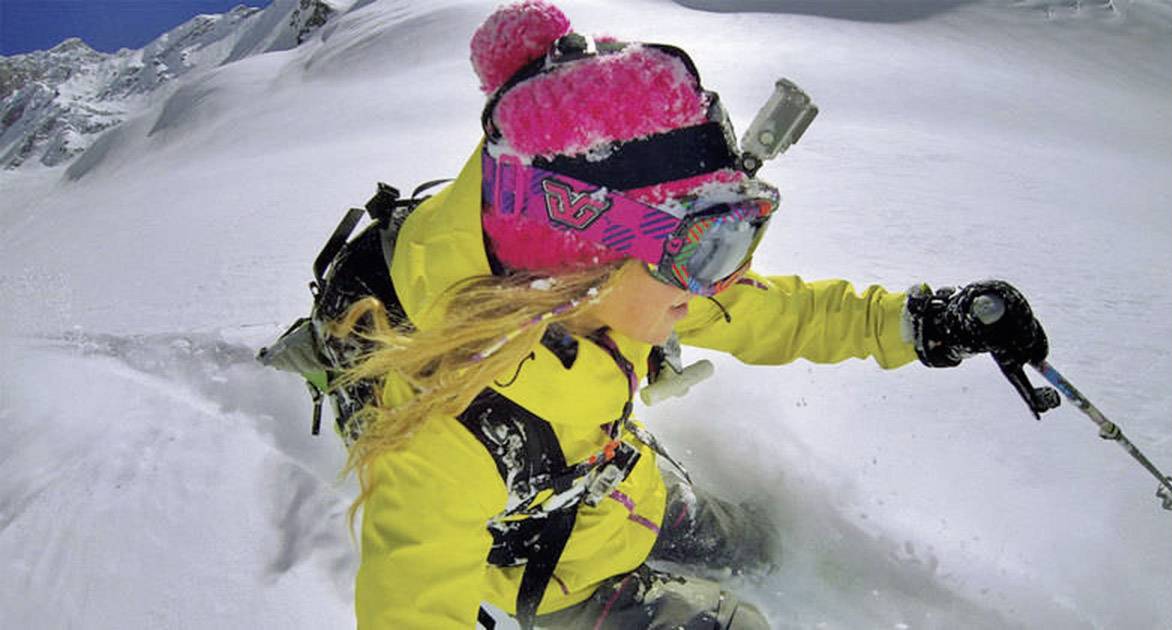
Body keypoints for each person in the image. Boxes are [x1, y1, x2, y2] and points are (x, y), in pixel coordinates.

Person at [331, 2, 1050, 628]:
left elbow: (777, 314)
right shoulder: (445, 437)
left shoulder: (639, 283)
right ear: (581, 263)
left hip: (620, 485)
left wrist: (926, 322)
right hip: (559, 576)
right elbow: (409, 601)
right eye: (706, 247)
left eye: (733, 237)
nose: (719, 282)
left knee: (754, 540)